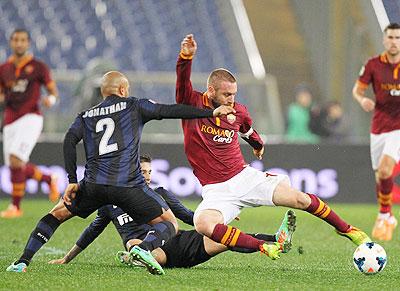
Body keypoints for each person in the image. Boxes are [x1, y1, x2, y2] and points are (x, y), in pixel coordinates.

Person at [6, 70, 235, 275]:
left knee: (54, 216)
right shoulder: (134, 105)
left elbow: (69, 140)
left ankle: (22, 261)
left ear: (104, 92)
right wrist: (210, 113)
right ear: (123, 89)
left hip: (93, 185)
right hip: (128, 186)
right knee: (169, 221)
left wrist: (72, 180)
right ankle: (144, 249)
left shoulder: (85, 116)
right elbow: (170, 110)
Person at [176, 34, 371, 257]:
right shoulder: (191, 103)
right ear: (211, 91)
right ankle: (263, 245)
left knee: (298, 198)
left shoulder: (238, 110)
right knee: (203, 225)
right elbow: (182, 83)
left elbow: (247, 130)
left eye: (234, 94)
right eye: (226, 94)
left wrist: (257, 145)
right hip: (216, 190)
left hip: (244, 177)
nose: (231, 99)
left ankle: (347, 229)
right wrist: (186, 58)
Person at [48, 155, 296, 269]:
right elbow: (92, 231)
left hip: (179, 242)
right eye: (141, 172)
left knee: (226, 238)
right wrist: (67, 258)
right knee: (137, 243)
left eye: (148, 172)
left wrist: (217, 212)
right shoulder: (110, 201)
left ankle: (277, 240)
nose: (145, 176)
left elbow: (188, 215)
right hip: (153, 249)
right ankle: (138, 257)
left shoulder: (161, 193)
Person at [0, 29, 60, 218]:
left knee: (16, 160)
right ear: (11, 42)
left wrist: (50, 99)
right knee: (14, 165)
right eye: (16, 40)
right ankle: (48, 179)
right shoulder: (4, 69)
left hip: (31, 117)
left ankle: (15, 207)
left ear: (28, 43)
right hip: (10, 119)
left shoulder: (39, 67)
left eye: (23, 40)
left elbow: (53, 91)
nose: (19, 43)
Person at [352, 22, 400, 241]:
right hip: (378, 127)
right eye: (390, 37)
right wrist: (362, 100)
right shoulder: (373, 64)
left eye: (398, 38)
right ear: (384, 40)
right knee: (380, 176)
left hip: (398, 127)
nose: (394, 42)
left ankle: (383, 215)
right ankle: (388, 215)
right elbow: (358, 90)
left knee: (384, 169)